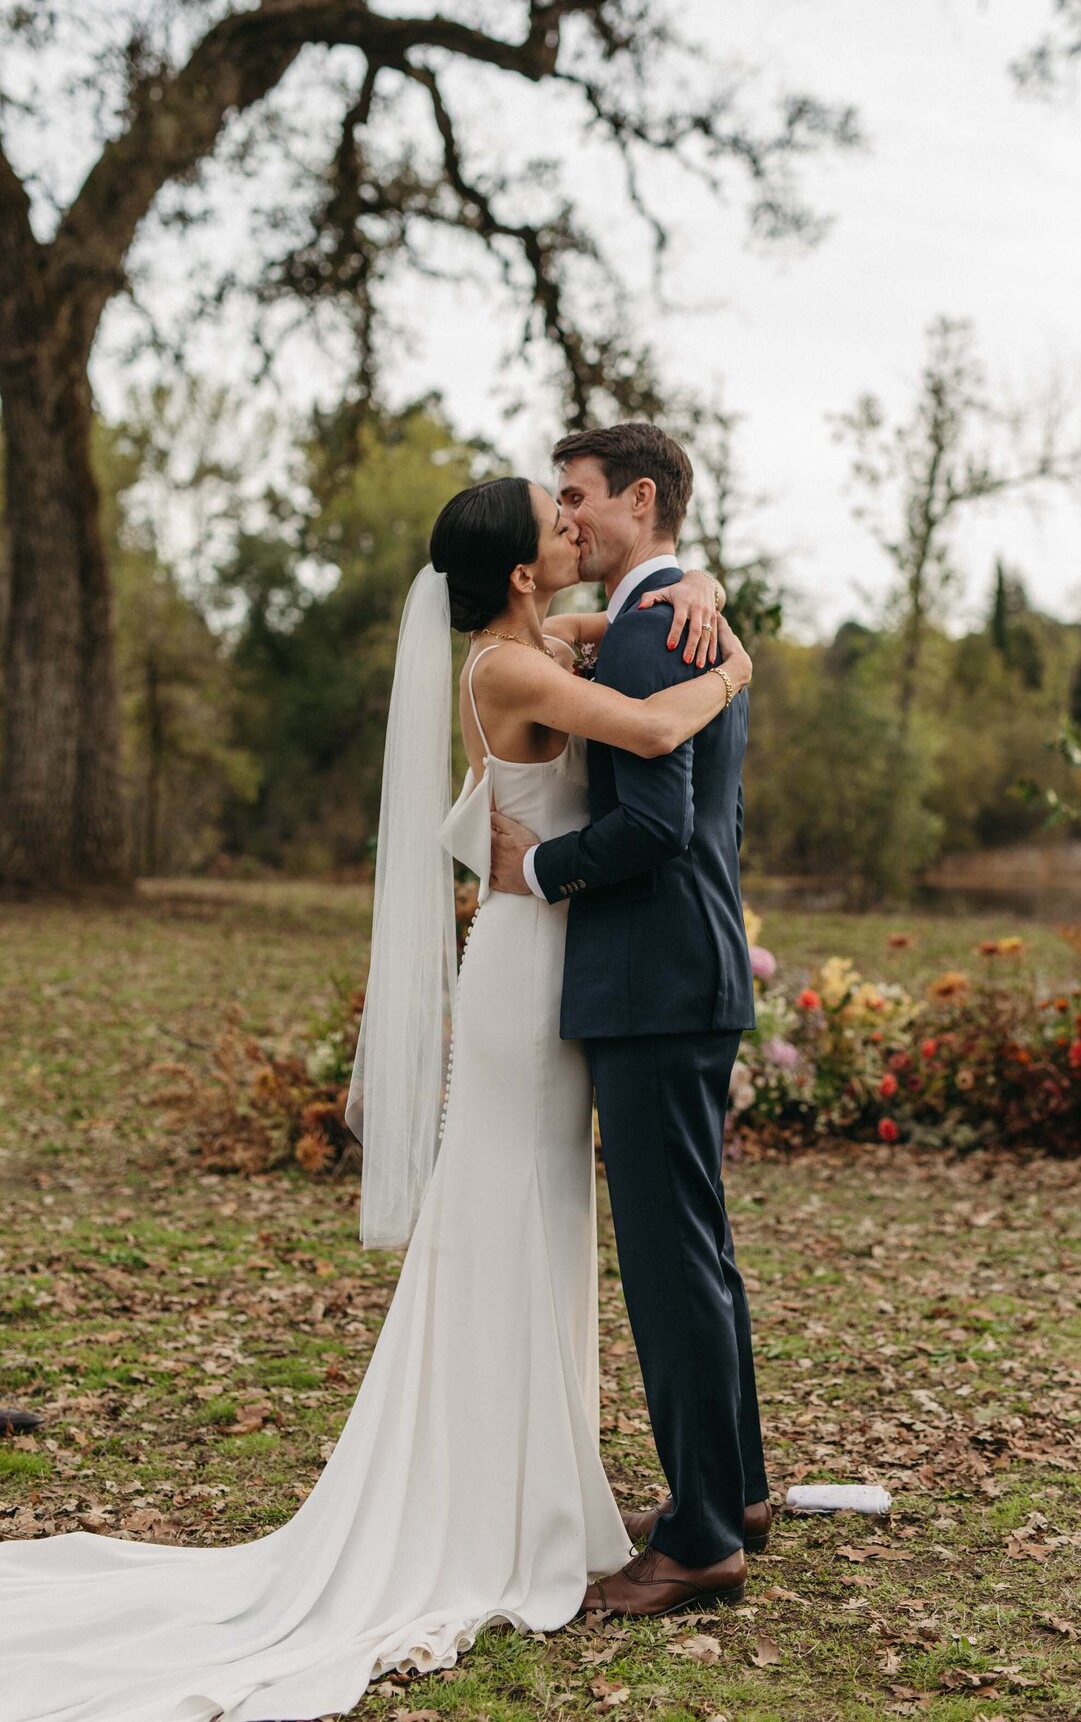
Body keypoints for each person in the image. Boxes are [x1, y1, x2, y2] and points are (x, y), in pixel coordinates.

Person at [0, 473, 752, 1722]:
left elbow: (639, 608)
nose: (574, 529)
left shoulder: (543, 639)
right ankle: (479, 1501)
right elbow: (658, 731)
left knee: (545, 1221)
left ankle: (540, 1483)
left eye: (578, 511)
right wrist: (734, 673)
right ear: (518, 568)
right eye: (554, 521)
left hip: (558, 956)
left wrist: (699, 586)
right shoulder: (509, 674)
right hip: (524, 972)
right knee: (504, 1211)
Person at [489, 423, 771, 1618]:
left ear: (638, 500)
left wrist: (537, 870)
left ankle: (703, 1539)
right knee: (695, 1252)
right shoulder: (669, 617)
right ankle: (735, 1489)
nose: (566, 518)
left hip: (654, 981)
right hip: (679, 974)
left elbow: (656, 823)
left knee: (669, 1268)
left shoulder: (662, 628)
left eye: (578, 497)